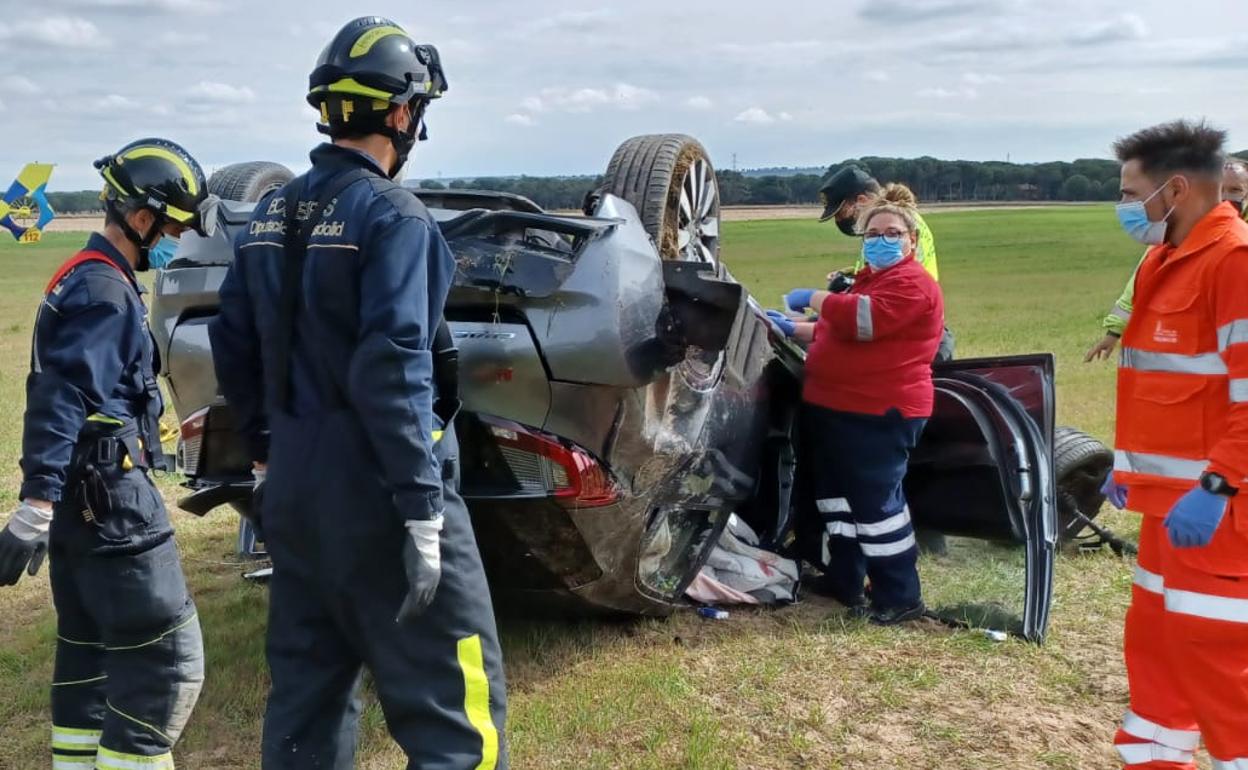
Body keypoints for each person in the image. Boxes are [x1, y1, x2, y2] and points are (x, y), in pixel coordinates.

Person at [209, 17, 507, 769]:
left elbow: (231, 346)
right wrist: (421, 511)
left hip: (296, 493)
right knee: (456, 719)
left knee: (305, 710)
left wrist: (270, 457)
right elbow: (396, 363)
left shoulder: (268, 215)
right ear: (404, 114)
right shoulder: (395, 217)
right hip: (382, 488)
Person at [0, 138, 215, 770]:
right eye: (173, 225)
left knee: (88, 663)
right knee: (166, 666)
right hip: (112, 507)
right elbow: (63, 397)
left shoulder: (82, 275)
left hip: (79, 505)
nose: (176, 239)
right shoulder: (104, 292)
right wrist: (34, 503)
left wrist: (47, 504)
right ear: (142, 219)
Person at [1099, 120, 1248, 769]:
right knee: (1158, 659)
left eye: (1131, 192)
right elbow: (1166, 388)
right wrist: (1128, 468)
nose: (1125, 205)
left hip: (1219, 519)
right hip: (1167, 515)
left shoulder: (1234, 264)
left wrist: (1217, 487)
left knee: (1220, 673)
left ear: (1177, 188)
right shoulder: (1163, 261)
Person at [768, 184, 945, 625]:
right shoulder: (872, 278)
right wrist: (792, 330)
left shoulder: (911, 283)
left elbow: (863, 320)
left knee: (877, 509)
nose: (881, 240)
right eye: (873, 234)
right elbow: (837, 329)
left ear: (912, 240)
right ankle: (845, 578)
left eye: (892, 233)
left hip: (880, 412)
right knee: (837, 502)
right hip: (837, 408)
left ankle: (900, 597)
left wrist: (813, 299)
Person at [1085, 158, 1248, 362]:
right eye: (1220, 189)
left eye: (1235, 190)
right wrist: (1113, 332)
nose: (1225, 198)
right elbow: (1137, 286)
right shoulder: (1177, 235)